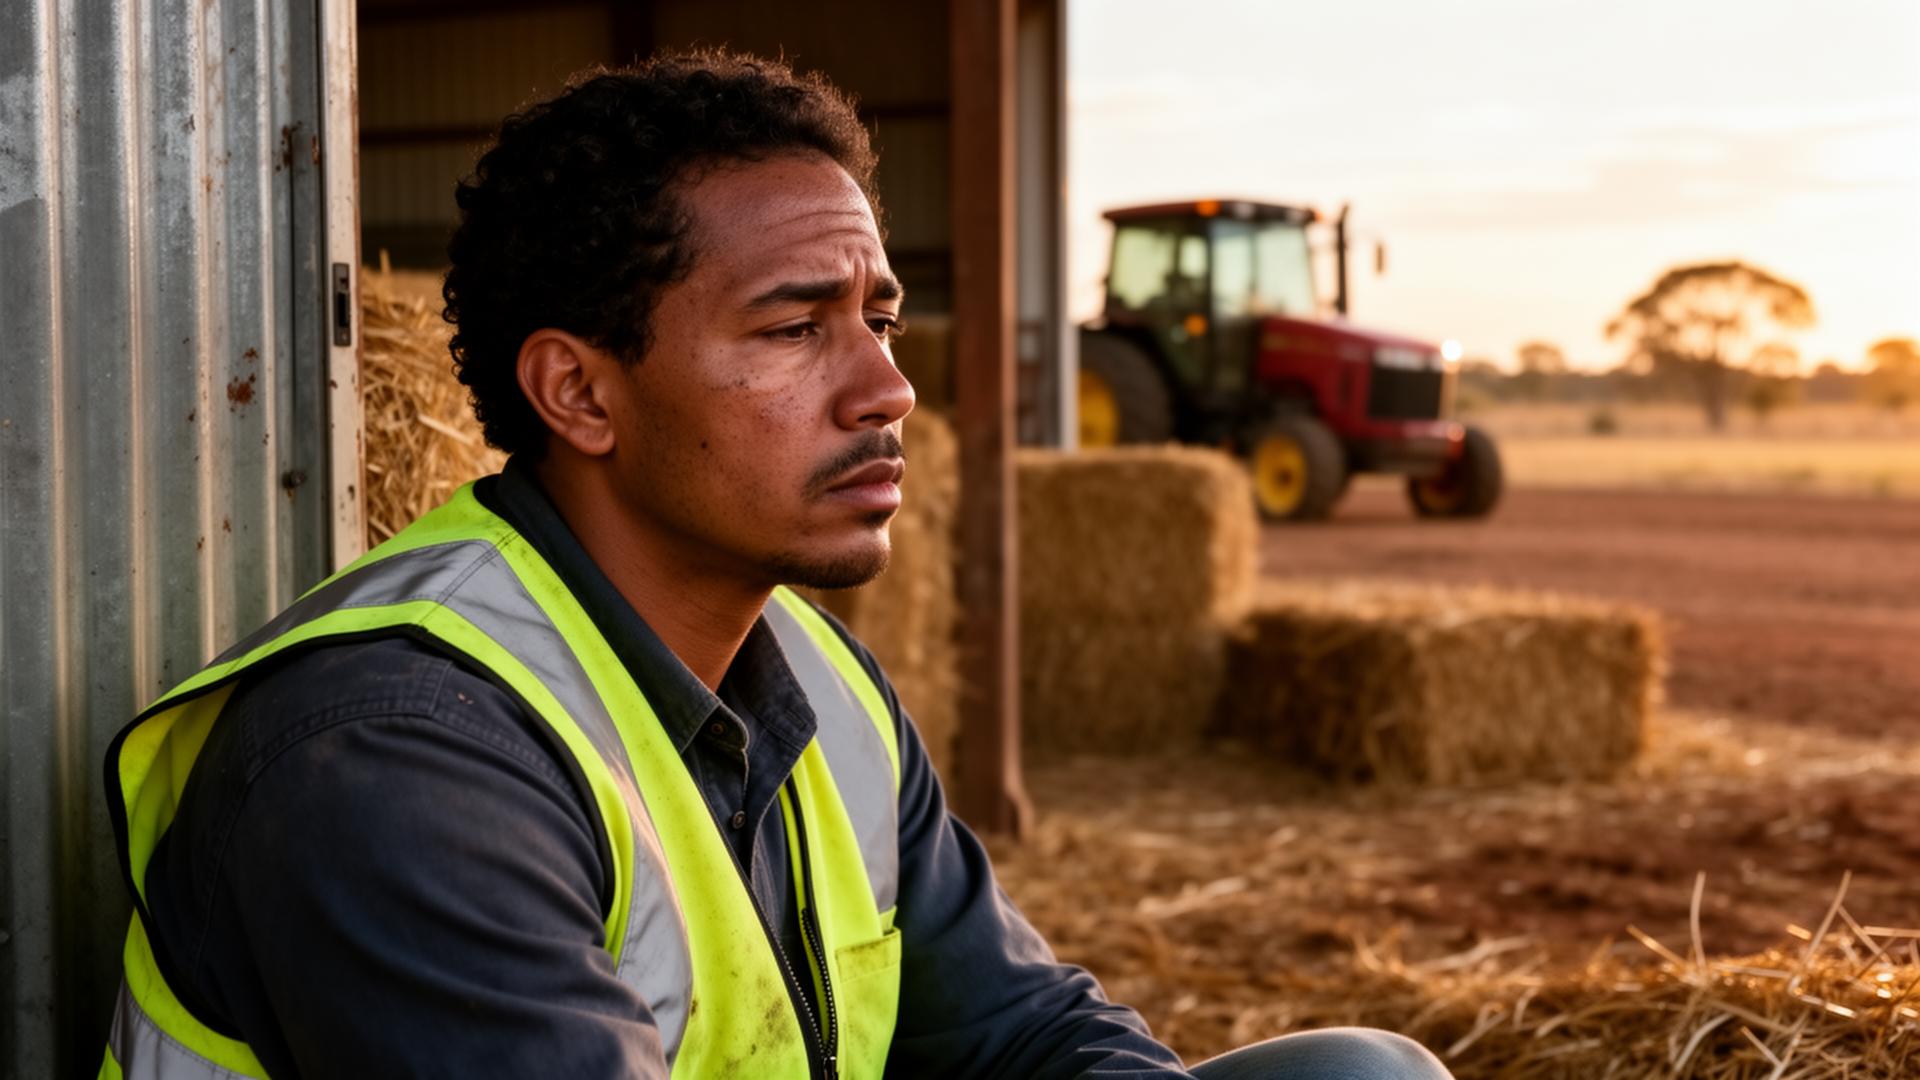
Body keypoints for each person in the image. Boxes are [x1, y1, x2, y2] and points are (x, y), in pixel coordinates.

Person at [98, 51, 1453, 1079]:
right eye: (795, 328)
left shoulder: (817, 685)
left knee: (1364, 1073)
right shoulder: (391, 758)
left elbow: (1023, 1030)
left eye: (878, 316)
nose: (889, 388)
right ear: (580, 393)